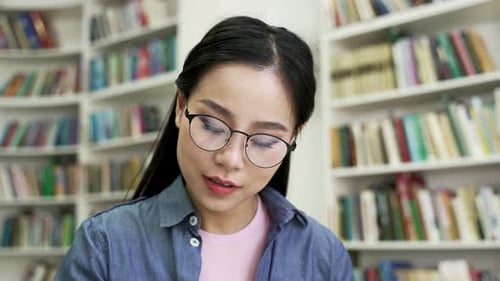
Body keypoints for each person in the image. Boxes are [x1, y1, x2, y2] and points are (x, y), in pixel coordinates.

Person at [55, 15, 354, 280]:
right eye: (211, 125)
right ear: (181, 106)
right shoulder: (105, 244)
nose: (230, 159)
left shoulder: (323, 256)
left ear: (292, 138)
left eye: (265, 141)